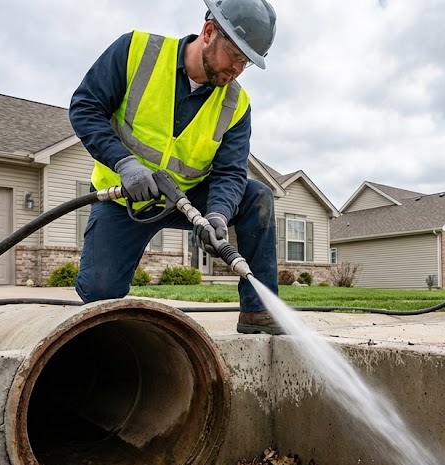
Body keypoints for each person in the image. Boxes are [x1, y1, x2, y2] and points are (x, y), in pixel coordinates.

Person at [68, 0, 284, 335]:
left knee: (258, 196)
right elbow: (85, 107)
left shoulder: (236, 104)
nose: (238, 69)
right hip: (127, 196)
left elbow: (230, 173)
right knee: (100, 293)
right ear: (210, 32)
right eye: (236, 55)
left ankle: (259, 311)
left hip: (188, 197)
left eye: (247, 63)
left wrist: (217, 215)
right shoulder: (136, 51)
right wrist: (124, 164)